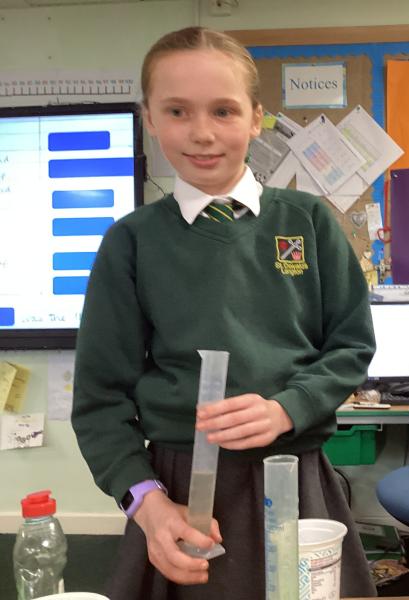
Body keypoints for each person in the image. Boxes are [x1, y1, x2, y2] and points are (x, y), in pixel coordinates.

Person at [71, 26, 377, 600]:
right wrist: (147, 503)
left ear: (256, 118)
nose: (203, 132)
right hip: (180, 492)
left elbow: (350, 347)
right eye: (177, 111)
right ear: (150, 118)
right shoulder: (132, 243)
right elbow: (98, 404)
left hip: (297, 479)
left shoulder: (308, 222)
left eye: (224, 110)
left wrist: (288, 407)